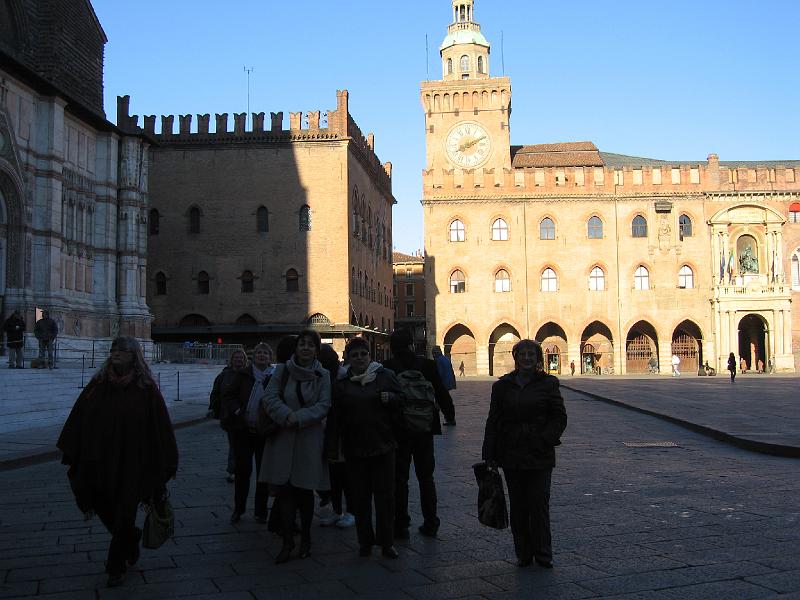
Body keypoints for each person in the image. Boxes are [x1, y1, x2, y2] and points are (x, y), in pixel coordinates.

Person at [56, 337, 178, 588]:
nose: (115, 353)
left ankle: (115, 566)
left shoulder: (146, 389)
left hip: (133, 465)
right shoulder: (98, 386)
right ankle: (130, 540)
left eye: (121, 350)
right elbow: (79, 417)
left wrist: (164, 460)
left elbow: (160, 427)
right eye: (113, 349)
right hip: (100, 463)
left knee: (125, 512)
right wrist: (73, 448)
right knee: (104, 508)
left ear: (134, 355)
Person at [482, 339, 567, 569]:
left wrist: (545, 439)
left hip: (539, 454)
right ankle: (523, 552)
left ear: (538, 358)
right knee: (518, 506)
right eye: (523, 354)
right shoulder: (501, 387)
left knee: (539, 504)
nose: (527, 358)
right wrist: (488, 453)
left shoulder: (549, 384)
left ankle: (543, 553)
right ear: (516, 357)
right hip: (511, 453)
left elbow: (559, 417)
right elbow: (493, 420)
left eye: (531, 354)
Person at [328, 337, 403, 559]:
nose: (360, 358)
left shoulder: (384, 376)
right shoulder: (341, 384)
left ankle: (387, 542)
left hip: (383, 446)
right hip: (355, 449)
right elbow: (335, 419)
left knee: (386, 498)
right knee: (360, 498)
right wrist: (333, 448)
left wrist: (391, 398)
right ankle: (365, 542)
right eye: (355, 355)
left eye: (363, 354)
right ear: (348, 359)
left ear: (370, 356)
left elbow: (403, 399)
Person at [260, 329, 331, 564]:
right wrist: (286, 415)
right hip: (283, 437)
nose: (306, 348)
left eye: (311, 345)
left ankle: (307, 539)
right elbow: (269, 398)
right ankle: (287, 541)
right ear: (296, 347)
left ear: (316, 350)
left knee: (305, 491)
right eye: (302, 344)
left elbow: (324, 405)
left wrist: (298, 418)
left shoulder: (323, 375)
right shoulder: (282, 371)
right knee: (286, 491)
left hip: (309, 439)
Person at [383, 329, 455, 539]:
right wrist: (450, 415)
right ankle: (431, 522)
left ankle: (401, 524)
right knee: (426, 478)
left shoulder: (388, 368)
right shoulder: (427, 366)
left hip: (399, 430)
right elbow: (441, 394)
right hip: (424, 429)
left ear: (392, 347)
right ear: (412, 345)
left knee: (400, 479)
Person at [221, 343, 273, 524]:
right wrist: (237, 411)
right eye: (258, 352)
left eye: (265, 353)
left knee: (263, 473)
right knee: (243, 472)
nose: (262, 355)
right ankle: (239, 509)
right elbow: (229, 396)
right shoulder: (243, 374)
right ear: (253, 357)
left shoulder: (274, 377)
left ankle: (260, 511)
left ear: (270, 357)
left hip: (264, 432)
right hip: (243, 430)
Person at [317, 343, 355, 529]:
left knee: (345, 474)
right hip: (327, 432)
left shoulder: (341, 377)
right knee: (334, 475)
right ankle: (337, 511)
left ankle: (350, 512)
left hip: (340, 433)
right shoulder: (321, 377)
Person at [209, 349, 247, 483]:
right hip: (229, 416)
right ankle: (233, 470)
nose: (238, 360)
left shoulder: (248, 374)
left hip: (245, 415)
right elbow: (215, 392)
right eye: (236, 357)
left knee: (241, 445)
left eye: (241, 358)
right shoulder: (224, 375)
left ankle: (240, 469)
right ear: (231, 360)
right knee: (234, 444)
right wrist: (213, 408)